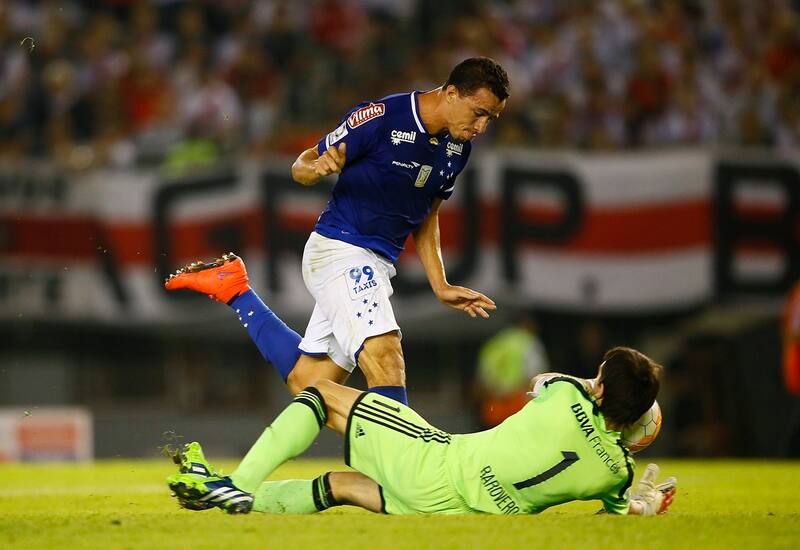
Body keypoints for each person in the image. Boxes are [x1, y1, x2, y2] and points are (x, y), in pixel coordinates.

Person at [166, 57, 510, 407]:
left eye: (490, 119)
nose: (481, 127)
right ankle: (404, 443)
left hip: (378, 264)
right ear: (451, 93)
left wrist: (440, 284)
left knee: (309, 383)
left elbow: (427, 213)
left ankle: (235, 290)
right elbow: (302, 164)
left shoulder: (457, 148)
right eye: (478, 113)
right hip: (340, 249)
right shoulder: (382, 117)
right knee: (386, 357)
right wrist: (316, 168)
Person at [165, 302, 676, 517]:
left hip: (438, 464)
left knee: (321, 394)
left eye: (600, 376)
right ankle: (220, 496)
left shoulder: (567, 395)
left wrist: (590, 384)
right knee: (341, 486)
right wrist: (644, 505)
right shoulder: (617, 473)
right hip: (457, 512)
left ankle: (234, 486)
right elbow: (617, 511)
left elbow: (541, 382)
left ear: (600, 389)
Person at [473, 313, 550, 428]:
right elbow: (537, 374)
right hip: (518, 401)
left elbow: (483, 375)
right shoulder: (528, 341)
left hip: (494, 403)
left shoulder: (494, 343)